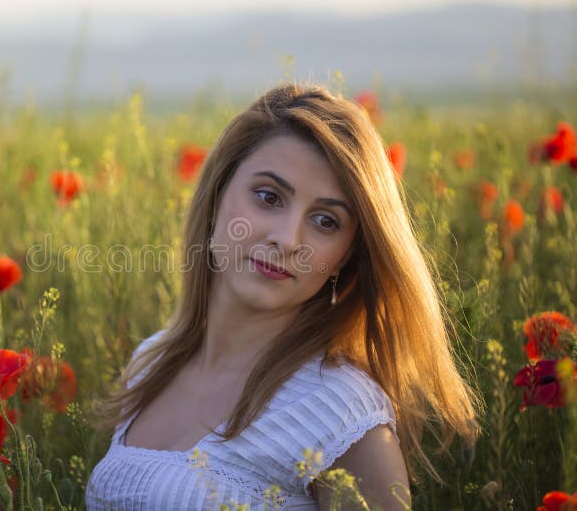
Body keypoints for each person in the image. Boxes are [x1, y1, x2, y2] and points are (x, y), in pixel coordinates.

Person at [86, 83, 482, 510]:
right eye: (269, 197)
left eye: (326, 221)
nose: (288, 239)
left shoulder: (342, 414)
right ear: (218, 193)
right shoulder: (151, 362)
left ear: (346, 257)